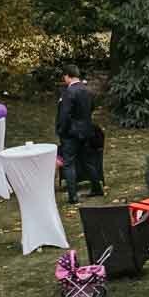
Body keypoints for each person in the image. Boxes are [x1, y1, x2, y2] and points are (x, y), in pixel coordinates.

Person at [55, 67, 102, 204]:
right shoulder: (88, 90)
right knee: (88, 161)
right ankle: (97, 188)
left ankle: (73, 196)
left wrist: (61, 130)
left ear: (67, 76)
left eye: (64, 77)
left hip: (71, 133)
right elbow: (92, 107)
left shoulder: (69, 92)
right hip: (87, 131)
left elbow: (64, 115)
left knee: (69, 163)